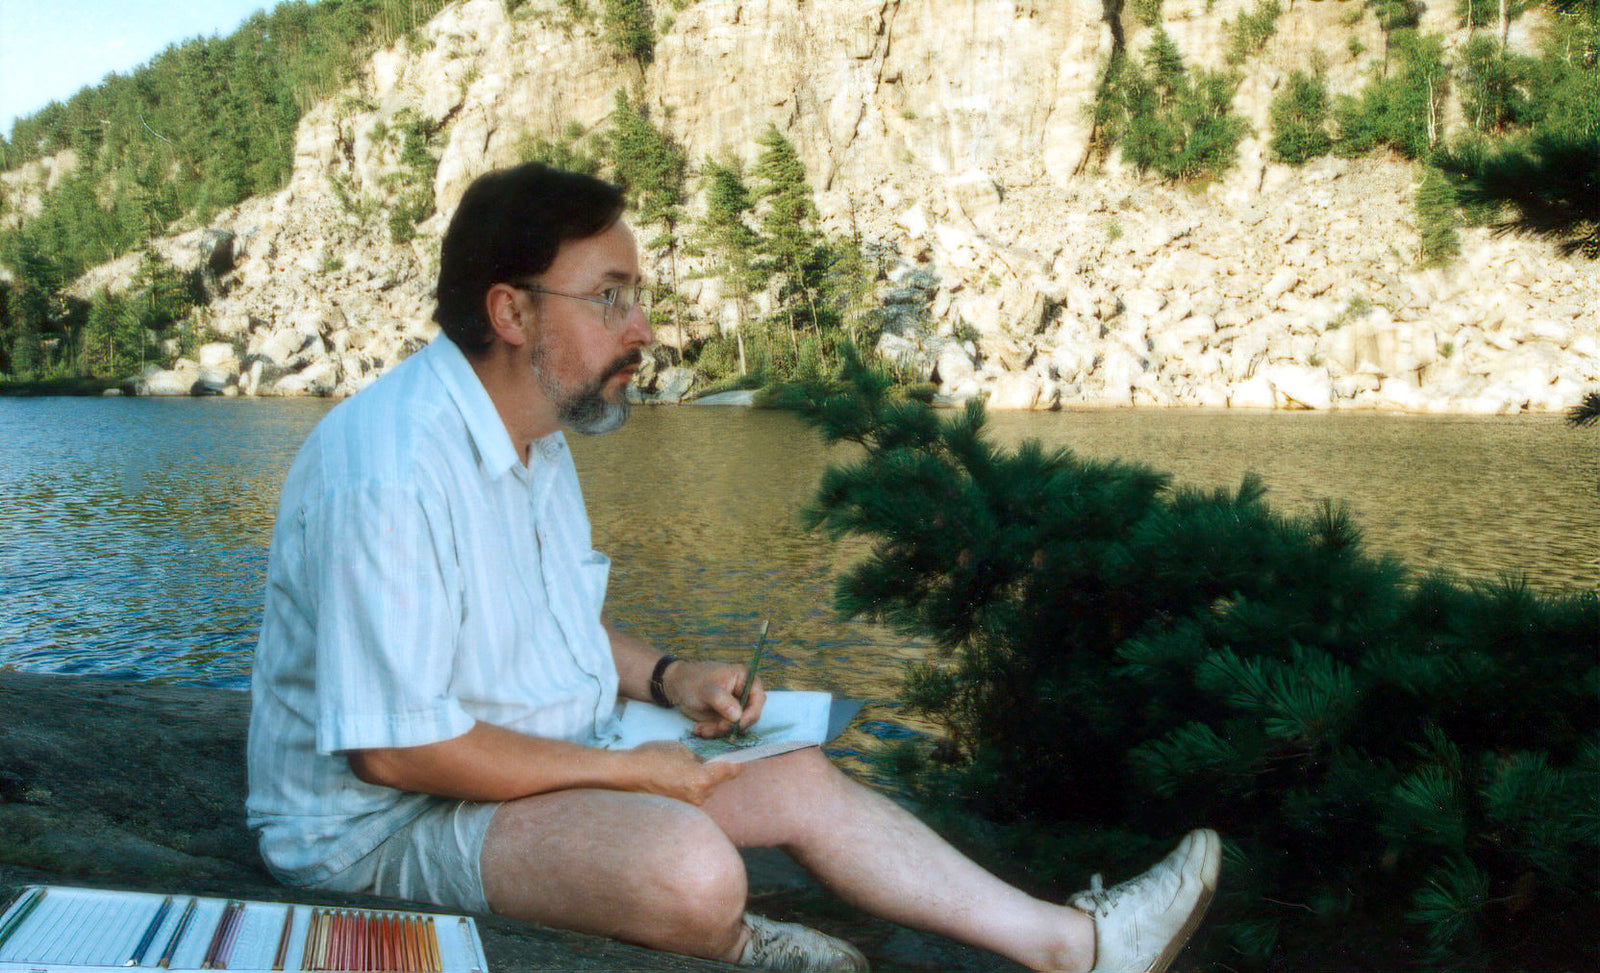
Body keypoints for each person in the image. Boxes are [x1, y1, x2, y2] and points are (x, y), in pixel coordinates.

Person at [246, 162, 1222, 973]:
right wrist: (630, 774)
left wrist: (671, 678)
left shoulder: (534, 440)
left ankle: (1075, 946)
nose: (642, 330)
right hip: (384, 833)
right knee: (692, 866)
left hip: (528, 766)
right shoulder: (385, 470)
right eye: (609, 299)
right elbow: (398, 750)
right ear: (510, 311)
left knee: (797, 775)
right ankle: (738, 937)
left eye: (638, 298)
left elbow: (542, 621)